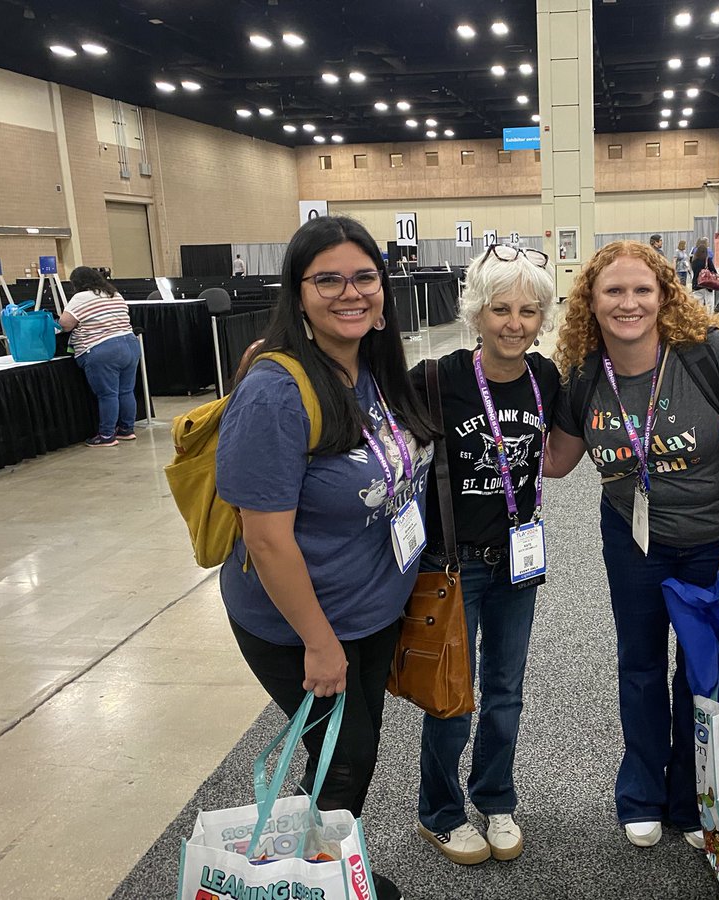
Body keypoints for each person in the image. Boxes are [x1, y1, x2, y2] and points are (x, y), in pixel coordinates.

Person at [216, 215, 437, 900]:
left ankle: (321, 869)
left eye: (364, 277)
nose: (351, 293)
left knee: (350, 749)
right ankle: (313, 881)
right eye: (329, 279)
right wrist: (318, 641)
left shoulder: (371, 368)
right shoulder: (276, 391)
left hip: (369, 610)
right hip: (301, 625)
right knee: (347, 756)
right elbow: (266, 539)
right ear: (299, 290)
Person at [544, 240, 719, 850]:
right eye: (613, 290)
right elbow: (557, 462)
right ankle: (640, 792)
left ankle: (692, 799)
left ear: (665, 294)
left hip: (711, 538)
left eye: (642, 289)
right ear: (590, 300)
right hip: (632, 538)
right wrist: (498, 399)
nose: (628, 302)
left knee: (699, 670)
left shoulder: (709, 353)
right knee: (639, 665)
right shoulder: (586, 374)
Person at [409, 244, 561, 865]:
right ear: (476, 312)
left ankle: (495, 795)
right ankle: (439, 811)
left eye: (528, 311)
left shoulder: (544, 379)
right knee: (452, 690)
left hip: (517, 558)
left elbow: (559, 452)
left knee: (506, 688)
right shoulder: (437, 378)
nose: (514, 323)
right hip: (453, 562)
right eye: (501, 309)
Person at [58, 266, 141, 447]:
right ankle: (127, 430)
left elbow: (65, 324)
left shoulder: (80, 298)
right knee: (126, 391)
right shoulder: (114, 294)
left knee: (107, 394)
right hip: (130, 344)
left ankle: (106, 436)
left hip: (103, 349)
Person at [690, 237, 717, 309]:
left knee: (698, 305)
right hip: (707, 285)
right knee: (709, 304)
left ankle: (700, 318)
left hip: (696, 284)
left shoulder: (693, 261)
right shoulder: (707, 260)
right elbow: (713, 271)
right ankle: (709, 319)